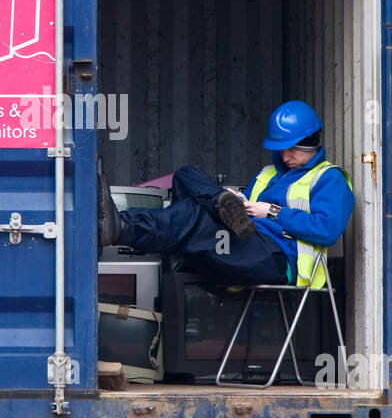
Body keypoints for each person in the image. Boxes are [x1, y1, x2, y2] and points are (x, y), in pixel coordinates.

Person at [98, 101, 354, 288]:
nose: (285, 157)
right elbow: (248, 211)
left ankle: (121, 227)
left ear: (310, 142)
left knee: (193, 216)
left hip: (275, 257)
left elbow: (327, 230)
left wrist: (272, 212)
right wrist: (238, 199)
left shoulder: (329, 179)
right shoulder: (269, 173)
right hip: (243, 237)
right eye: (281, 150)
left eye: (291, 150)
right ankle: (220, 201)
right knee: (186, 175)